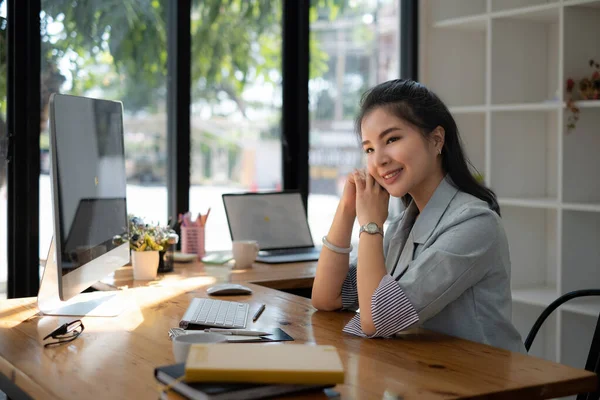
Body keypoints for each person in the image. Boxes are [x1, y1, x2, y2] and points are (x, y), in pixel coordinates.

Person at [311, 79, 525, 353]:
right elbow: (328, 297)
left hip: (485, 384)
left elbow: (376, 320)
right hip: (423, 375)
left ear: (436, 139)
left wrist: (371, 226)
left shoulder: (475, 224)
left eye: (392, 139)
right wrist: (347, 208)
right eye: (369, 149)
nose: (379, 160)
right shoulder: (403, 225)